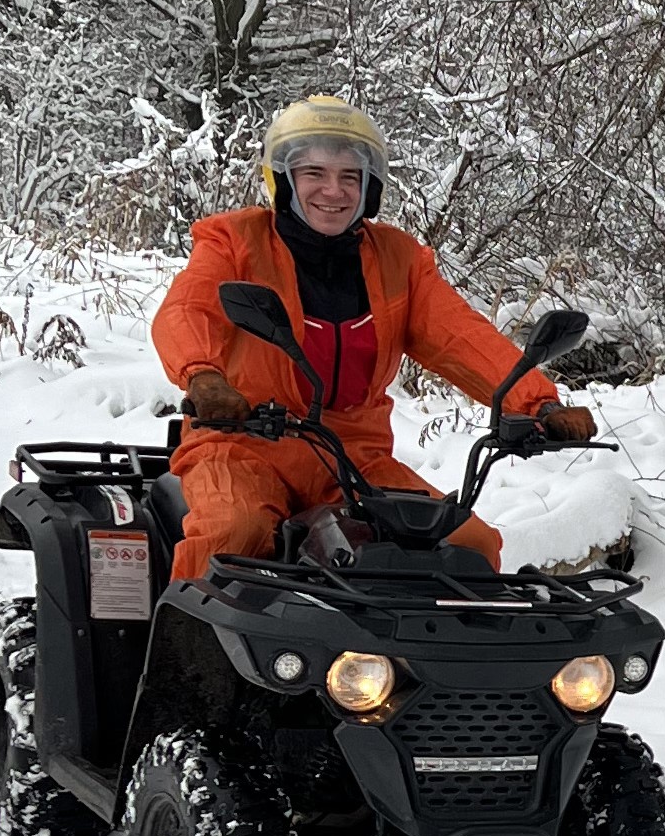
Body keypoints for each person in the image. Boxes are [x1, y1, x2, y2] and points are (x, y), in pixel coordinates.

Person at [151, 95, 597, 581]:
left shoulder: (397, 260)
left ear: (371, 187)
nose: (333, 191)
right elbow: (187, 308)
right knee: (233, 534)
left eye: (350, 176)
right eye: (314, 173)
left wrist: (538, 403)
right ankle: (185, 656)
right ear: (281, 179)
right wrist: (203, 377)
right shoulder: (235, 242)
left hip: (350, 457)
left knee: (468, 545)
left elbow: (461, 337)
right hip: (241, 442)